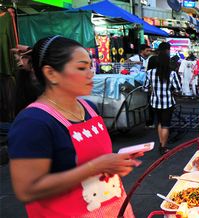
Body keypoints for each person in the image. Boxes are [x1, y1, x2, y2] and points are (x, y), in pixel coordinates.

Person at [8, 36, 143, 217]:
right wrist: (95, 166)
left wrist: (114, 162)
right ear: (51, 73)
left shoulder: (90, 109)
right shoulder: (33, 122)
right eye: (81, 68)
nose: (90, 74)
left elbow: (93, 159)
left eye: (90, 67)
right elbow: (27, 190)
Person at [144, 42, 181, 154]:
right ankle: (163, 147)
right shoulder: (172, 73)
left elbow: (145, 88)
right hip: (168, 103)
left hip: (155, 103)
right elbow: (178, 88)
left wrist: (153, 90)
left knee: (159, 123)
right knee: (166, 125)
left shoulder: (149, 73)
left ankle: (161, 143)